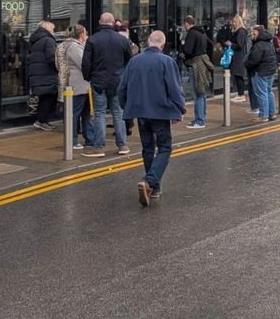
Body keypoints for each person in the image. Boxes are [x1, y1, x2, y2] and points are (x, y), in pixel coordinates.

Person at [118, 31, 186, 207]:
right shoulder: (166, 61)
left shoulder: (134, 61)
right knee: (164, 148)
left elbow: (122, 88)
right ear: (162, 45)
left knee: (148, 149)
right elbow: (175, 89)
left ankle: (153, 188)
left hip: (140, 112)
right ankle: (149, 181)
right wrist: (180, 109)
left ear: (149, 42)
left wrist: (126, 107)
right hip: (160, 113)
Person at [82, 13, 135, 154]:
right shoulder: (122, 40)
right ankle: (123, 145)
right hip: (117, 81)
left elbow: (86, 63)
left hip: (98, 82)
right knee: (118, 113)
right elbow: (130, 60)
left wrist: (88, 77)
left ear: (100, 22)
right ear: (113, 23)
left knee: (99, 114)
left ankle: (99, 147)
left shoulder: (92, 39)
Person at [57, 24, 97, 153]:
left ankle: (89, 139)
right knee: (74, 114)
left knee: (87, 113)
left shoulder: (76, 45)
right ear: (81, 35)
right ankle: (72, 140)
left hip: (84, 86)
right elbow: (84, 63)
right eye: (85, 33)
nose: (87, 35)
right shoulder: (74, 46)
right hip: (78, 85)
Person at [181, 16, 214, 129]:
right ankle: (201, 118)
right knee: (202, 93)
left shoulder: (191, 33)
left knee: (197, 93)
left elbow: (188, 50)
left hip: (195, 64)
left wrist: (182, 49)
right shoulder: (202, 33)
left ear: (186, 24)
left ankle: (200, 121)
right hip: (203, 63)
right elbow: (210, 45)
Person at [26, 21, 60, 132]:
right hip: (47, 74)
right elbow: (51, 58)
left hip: (39, 74)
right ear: (48, 29)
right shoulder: (48, 40)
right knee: (49, 98)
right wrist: (58, 68)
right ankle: (42, 121)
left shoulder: (36, 40)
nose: (54, 31)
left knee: (44, 98)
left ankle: (42, 121)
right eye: (53, 29)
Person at [243, 25, 278, 123]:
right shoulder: (268, 42)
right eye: (251, 32)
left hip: (260, 72)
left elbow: (254, 60)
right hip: (269, 71)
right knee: (268, 92)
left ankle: (263, 115)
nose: (251, 34)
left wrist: (246, 63)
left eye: (253, 32)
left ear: (259, 32)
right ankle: (272, 113)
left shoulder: (259, 45)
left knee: (261, 93)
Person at [226, 16, 251, 109]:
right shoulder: (238, 31)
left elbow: (240, 45)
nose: (233, 23)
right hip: (236, 56)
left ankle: (241, 95)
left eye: (235, 22)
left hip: (238, 57)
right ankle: (240, 94)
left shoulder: (240, 32)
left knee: (239, 75)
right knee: (237, 75)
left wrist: (231, 44)